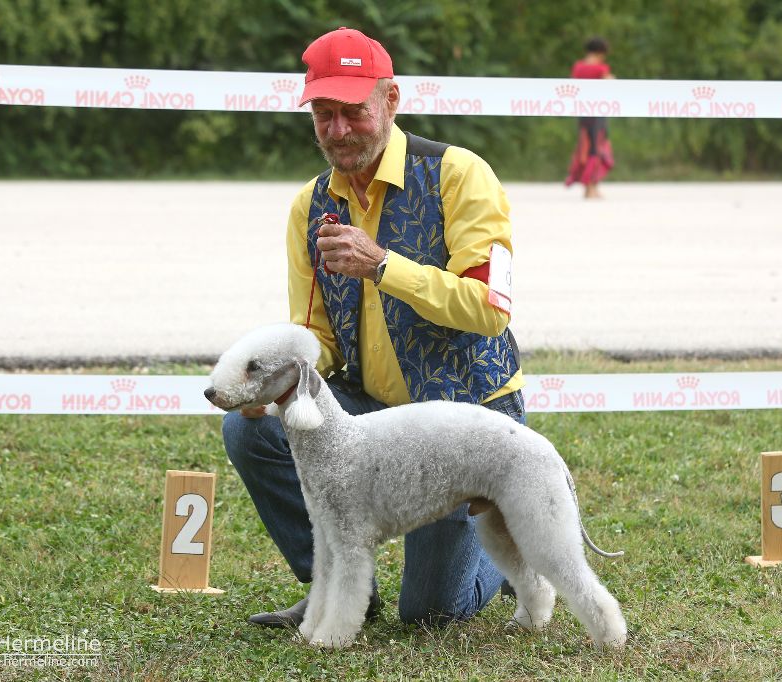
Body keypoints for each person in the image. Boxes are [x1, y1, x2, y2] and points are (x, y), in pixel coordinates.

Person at [221, 27, 526, 628]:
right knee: (247, 432)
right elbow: (317, 340)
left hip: (462, 420)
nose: (337, 130)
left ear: (390, 101)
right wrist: (272, 384)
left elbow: (490, 308)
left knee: (434, 613)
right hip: (371, 420)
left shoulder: (460, 175)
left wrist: (383, 266)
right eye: (324, 113)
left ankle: (517, 544)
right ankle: (332, 584)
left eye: (354, 111)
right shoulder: (310, 206)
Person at [565, 37, 615, 199]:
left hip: (583, 113)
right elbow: (611, 84)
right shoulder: (601, 68)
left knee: (585, 148)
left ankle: (587, 187)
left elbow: (572, 84)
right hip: (597, 112)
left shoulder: (578, 67)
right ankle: (592, 187)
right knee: (597, 149)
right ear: (601, 52)